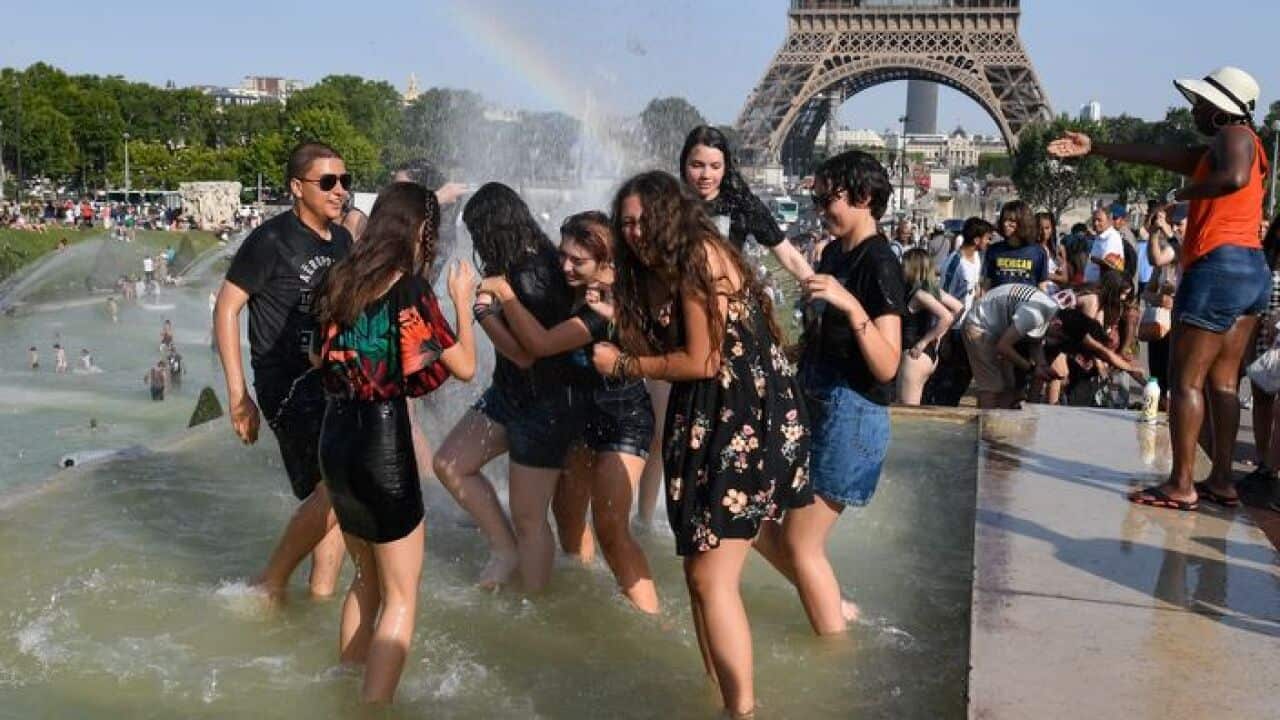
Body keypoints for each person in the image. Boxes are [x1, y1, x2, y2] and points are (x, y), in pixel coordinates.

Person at [591, 170, 811, 718]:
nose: (634, 233)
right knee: (696, 575)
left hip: (739, 422)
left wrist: (622, 363)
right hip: (709, 417)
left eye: (643, 221)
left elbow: (703, 360)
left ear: (669, 216)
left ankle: (742, 710)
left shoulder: (696, 258)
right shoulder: (668, 266)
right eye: (626, 224)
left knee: (712, 578)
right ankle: (720, 697)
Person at [1050, 66, 1271, 511]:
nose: (1195, 109)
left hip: (1220, 265)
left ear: (1221, 108)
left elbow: (1233, 179)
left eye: (1202, 103)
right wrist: (1095, 148)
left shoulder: (1235, 137)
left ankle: (1182, 483)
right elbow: (1153, 153)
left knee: (1185, 380)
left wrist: (1181, 197)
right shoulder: (1228, 144)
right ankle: (1222, 480)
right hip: (1251, 266)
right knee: (1224, 384)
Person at [314, 182, 477, 704]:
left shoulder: (338, 279)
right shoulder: (409, 289)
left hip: (335, 437)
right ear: (421, 230)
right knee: (402, 598)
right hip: (382, 442)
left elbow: (320, 360)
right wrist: (461, 304)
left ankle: (346, 691)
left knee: (365, 578)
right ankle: (371, 709)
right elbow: (465, 368)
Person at [747, 150, 903, 644]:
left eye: (827, 196)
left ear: (863, 196)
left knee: (799, 544)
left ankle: (835, 651)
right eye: (816, 195)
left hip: (852, 413)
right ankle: (831, 602)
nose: (818, 206)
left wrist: (849, 302)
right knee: (750, 513)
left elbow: (887, 365)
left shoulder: (880, 262)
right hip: (819, 402)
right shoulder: (835, 253)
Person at [479, 211, 660, 614]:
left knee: (611, 528)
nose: (564, 266)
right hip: (576, 419)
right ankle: (587, 600)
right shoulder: (568, 287)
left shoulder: (608, 302)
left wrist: (502, 297)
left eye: (577, 261)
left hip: (622, 419)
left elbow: (541, 345)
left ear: (607, 262)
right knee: (568, 524)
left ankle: (652, 621)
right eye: (563, 255)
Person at [213, 142, 354, 600]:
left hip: (331, 377)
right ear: (297, 187)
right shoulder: (270, 240)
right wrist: (240, 395)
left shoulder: (343, 240)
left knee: (331, 493)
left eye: (344, 181)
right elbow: (226, 307)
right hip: (287, 383)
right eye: (327, 182)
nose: (340, 192)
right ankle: (269, 582)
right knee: (336, 484)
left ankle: (321, 593)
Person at [432, 182, 586, 592]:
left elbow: (525, 354)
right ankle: (505, 549)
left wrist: (476, 308)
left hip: (545, 407)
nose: (477, 245)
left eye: (478, 234)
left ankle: (534, 606)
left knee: (530, 519)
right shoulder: (526, 265)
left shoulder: (531, 274)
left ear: (492, 229)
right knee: (449, 463)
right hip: (510, 395)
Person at [665, 125, 817, 529]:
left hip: (734, 327)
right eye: (697, 165)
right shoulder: (670, 207)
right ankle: (660, 508)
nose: (706, 174)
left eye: (715, 165)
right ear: (684, 164)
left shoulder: (741, 204)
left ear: (727, 167)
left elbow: (790, 257)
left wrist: (819, 292)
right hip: (683, 321)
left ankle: (733, 496)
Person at [963, 283, 1064, 409]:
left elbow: (1035, 340)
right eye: (1057, 337)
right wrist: (1031, 369)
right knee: (992, 387)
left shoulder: (1049, 310)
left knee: (1009, 385)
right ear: (1058, 325)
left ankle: (1002, 424)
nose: (1054, 341)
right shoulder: (1034, 313)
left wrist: (1042, 366)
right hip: (979, 325)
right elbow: (1003, 346)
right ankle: (986, 426)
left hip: (996, 328)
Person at [927, 217, 994, 406]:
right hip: (953, 329)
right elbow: (943, 298)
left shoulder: (977, 259)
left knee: (964, 375)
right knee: (949, 378)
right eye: (987, 238)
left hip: (969, 325)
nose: (988, 243)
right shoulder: (954, 263)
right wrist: (944, 335)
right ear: (976, 240)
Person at [897, 248, 962, 405]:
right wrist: (938, 335)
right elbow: (958, 307)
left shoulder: (919, 294)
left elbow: (946, 316)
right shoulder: (931, 290)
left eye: (903, 264)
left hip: (914, 354)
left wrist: (925, 340)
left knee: (907, 415)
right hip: (927, 356)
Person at [982, 200, 1048, 290]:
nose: (1006, 224)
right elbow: (986, 286)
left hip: (1027, 303)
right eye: (1004, 220)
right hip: (998, 303)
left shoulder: (1038, 252)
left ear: (1024, 222)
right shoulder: (994, 250)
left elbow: (1042, 288)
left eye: (1012, 220)